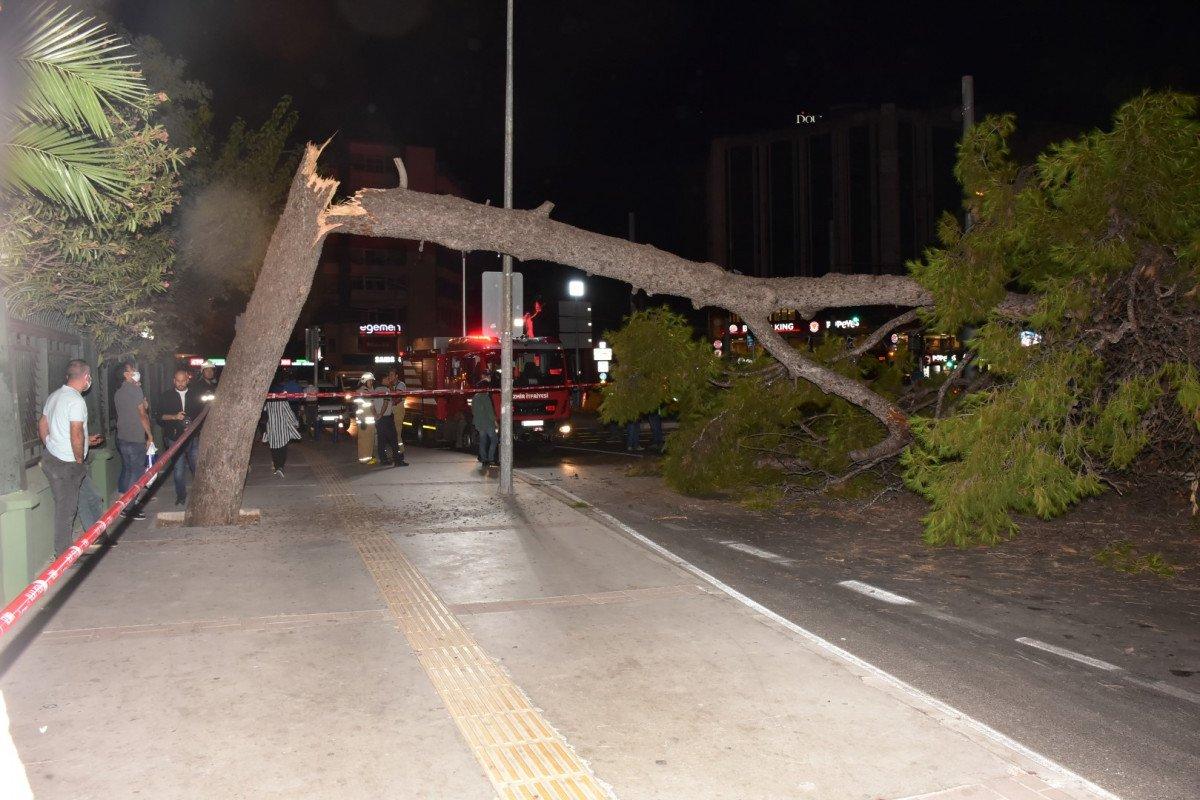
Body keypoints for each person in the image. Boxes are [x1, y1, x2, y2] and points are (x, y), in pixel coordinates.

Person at [38, 359, 105, 555]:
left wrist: (51, 444)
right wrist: (79, 461)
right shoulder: (76, 400)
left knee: (91, 496)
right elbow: (75, 432)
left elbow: (43, 424)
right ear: (86, 376)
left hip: (54, 458)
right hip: (68, 464)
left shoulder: (55, 396)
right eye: (89, 377)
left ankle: (96, 535)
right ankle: (63, 555)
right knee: (66, 510)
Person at [113, 361, 153, 520]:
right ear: (126, 374)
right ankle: (129, 508)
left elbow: (139, 407)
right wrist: (149, 435)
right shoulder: (135, 390)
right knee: (136, 473)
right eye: (132, 369)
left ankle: (125, 503)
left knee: (129, 470)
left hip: (122, 437)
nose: (136, 371)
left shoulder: (118, 392)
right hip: (135, 437)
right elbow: (143, 414)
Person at [157, 368, 203, 506]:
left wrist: (194, 426)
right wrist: (174, 417)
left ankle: (201, 495)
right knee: (178, 470)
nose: (181, 383)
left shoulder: (196, 395)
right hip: (174, 438)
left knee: (197, 467)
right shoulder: (166, 396)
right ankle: (181, 496)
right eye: (178, 381)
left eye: (183, 381)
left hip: (193, 437)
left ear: (188, 380)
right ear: (174, 381)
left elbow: (203, 414)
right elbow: (159, 417)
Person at [262, 387, 301, 478]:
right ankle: (280, 467)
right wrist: (295, 423)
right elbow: (289, 413)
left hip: (271, 428)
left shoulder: (269, 401)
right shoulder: (283, 401)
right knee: (282, 448)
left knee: (273, 448)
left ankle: (277, 467)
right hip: (282, 428)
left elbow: (264, 410)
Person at [374, 370, 408, 467]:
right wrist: (381, 414)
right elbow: (386, 403)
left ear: (397, 376)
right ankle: (398, 460)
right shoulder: (386, 390)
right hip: (387, 417)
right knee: (394, 439)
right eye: (387, 377)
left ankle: (384, 459)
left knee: (382, 439)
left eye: (391, 375)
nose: (389, 378)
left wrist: (376, 415)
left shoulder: (375, 390)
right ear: (383, 380)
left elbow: (372, 405)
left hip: (382, 417)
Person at [471, 377, 498, 469]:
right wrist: (495, 422)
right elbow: (490, 412)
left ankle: (484, 460)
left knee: (483, 441)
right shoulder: (486, 397)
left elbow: (473, 411)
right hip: (488, 423)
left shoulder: (475, 397)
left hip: (479, 423)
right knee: (494, 440)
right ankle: (491, 458)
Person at [355, 372, 378, 465]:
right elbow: (371, 406)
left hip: (365, 419)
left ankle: (365, 458)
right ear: (365, 381)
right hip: (365, 420)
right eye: (370, 381)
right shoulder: (364, 391)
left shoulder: (363, 390)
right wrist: (376, 415)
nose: (371, 382)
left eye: (372, 381)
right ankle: (366, 459)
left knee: (365, 440)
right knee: (366, 440)